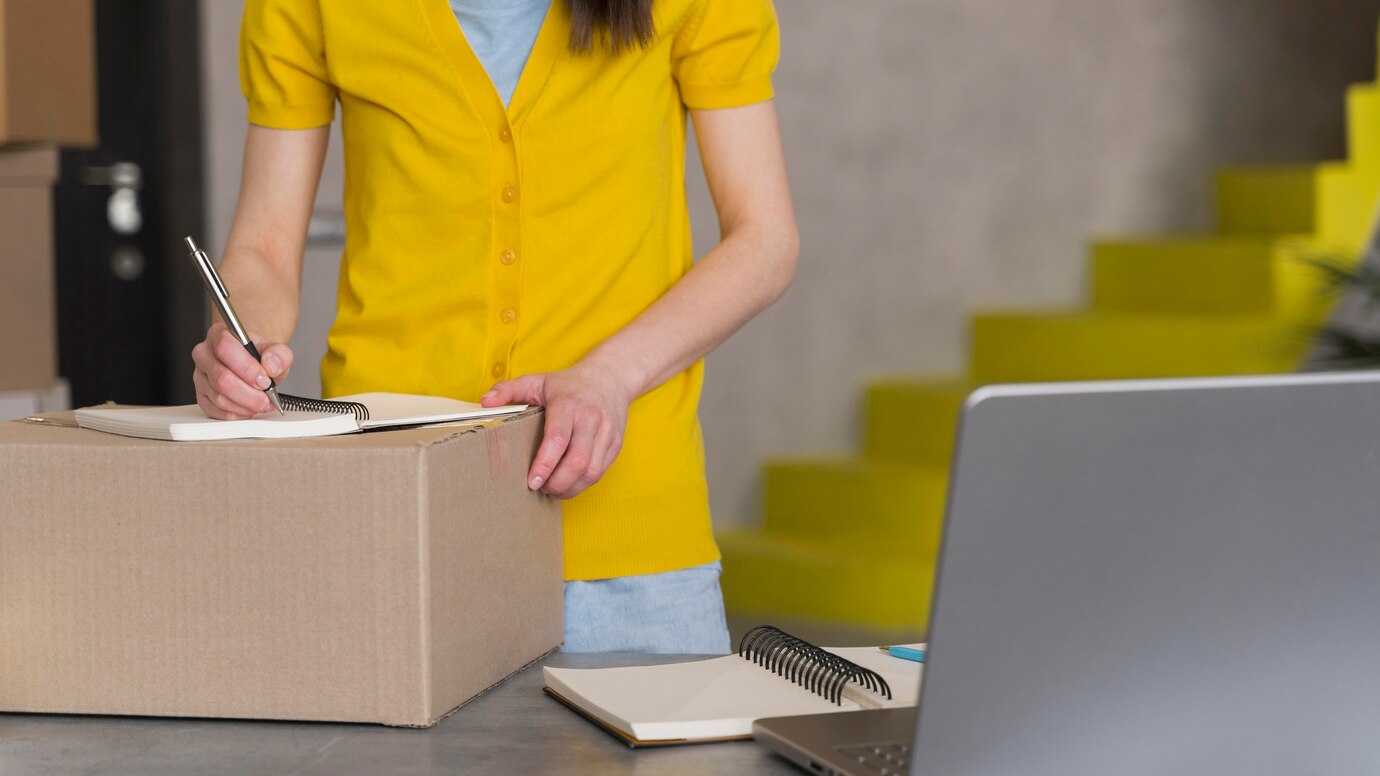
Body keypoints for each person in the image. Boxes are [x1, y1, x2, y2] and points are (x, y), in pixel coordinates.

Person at [191, 0, 798, 654]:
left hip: (631, 564)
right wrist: (240, 343)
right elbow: (265, 251)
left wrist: (608, 379)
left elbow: (765, 240)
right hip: (396, 527)